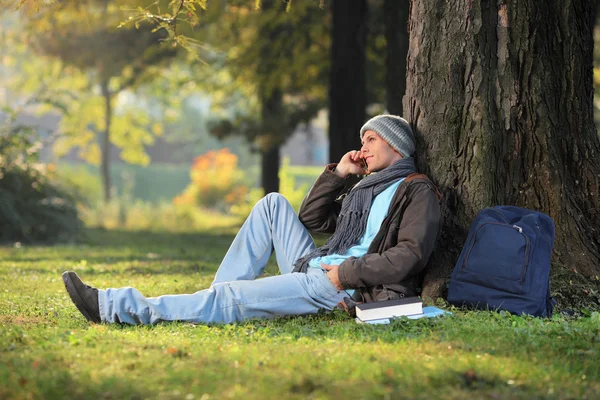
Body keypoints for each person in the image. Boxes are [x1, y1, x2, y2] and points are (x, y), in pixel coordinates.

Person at [62, 115, 442, 325]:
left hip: (340, 286)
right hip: (319, 266)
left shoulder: (414, 190)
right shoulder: (367, 188)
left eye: (371, 139)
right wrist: (339, 174)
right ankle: (217, 302)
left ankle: (114, 307)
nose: (362, 147)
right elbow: (312, 218)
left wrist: (344, 275)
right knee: (274, 203)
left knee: (229, 297)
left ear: (396, 146)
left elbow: (409, 255)